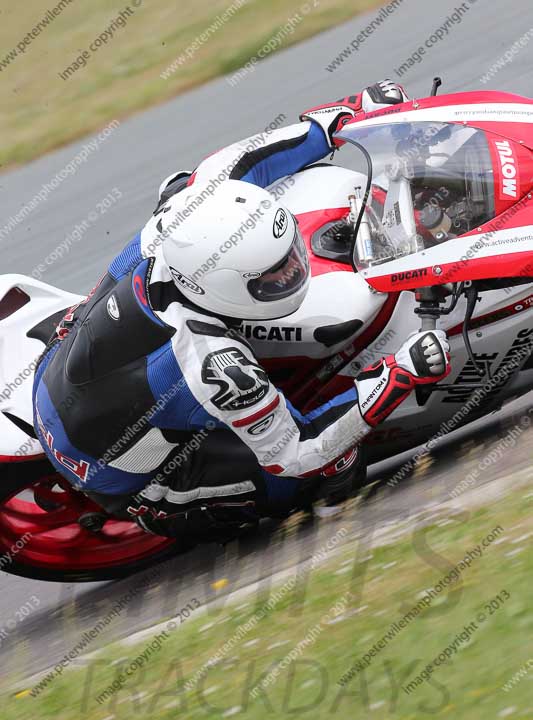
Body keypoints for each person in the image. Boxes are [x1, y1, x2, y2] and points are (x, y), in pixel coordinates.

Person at [33, 80, 451, 536]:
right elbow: (296, 453)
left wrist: (340, 118)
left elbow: (241, 164)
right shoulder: (216, 364)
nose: (294, 271)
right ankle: (325, 512)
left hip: (61, 368)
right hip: (118, 471)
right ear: (220, 285)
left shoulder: (172, 223)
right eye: (275, 276)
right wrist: (398, 376)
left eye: (289, 257)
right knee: (331, 465)